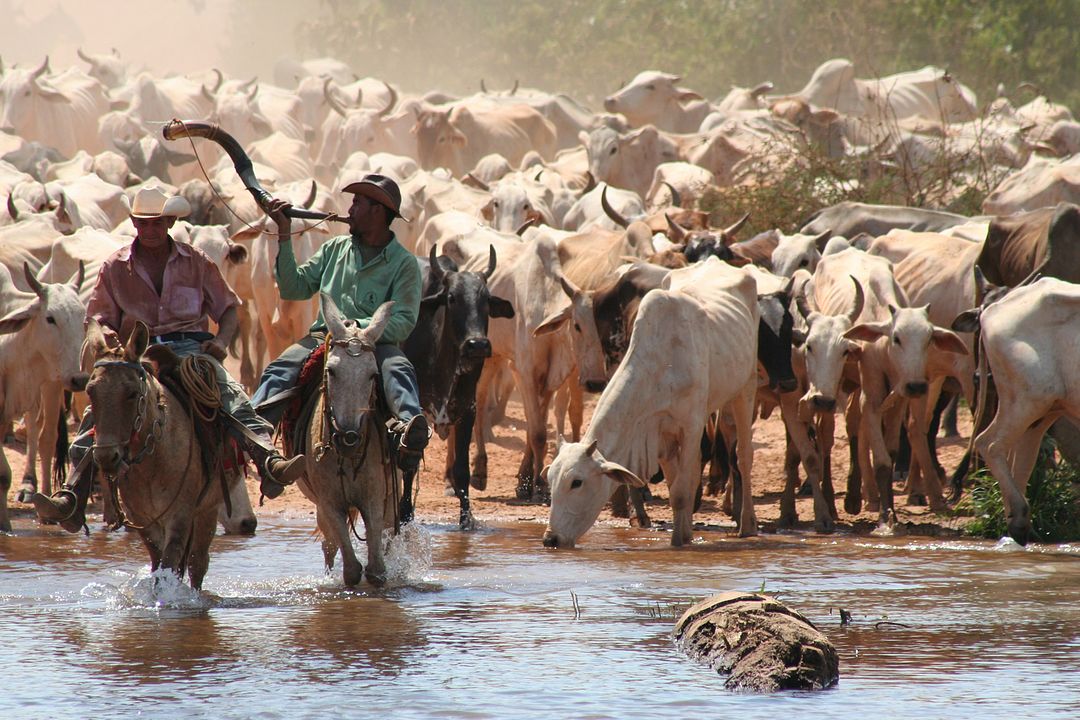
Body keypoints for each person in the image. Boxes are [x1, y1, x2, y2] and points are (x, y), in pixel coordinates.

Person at [33, 186, 305, 532]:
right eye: (143, 224)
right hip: (136, 357)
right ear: (133, 223)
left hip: (190, 352)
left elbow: (229, 309)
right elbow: (97, 318)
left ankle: (268, 460)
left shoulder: (196, 262)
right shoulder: (116, 267)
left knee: (233, 399)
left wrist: (221, 342)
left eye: (157, 224)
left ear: (170, 222)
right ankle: (71, 496)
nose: (150, 231)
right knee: (97, 413)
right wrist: (103, 338)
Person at [251, 173, 429, 477]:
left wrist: (357, 327)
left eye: (357, 203)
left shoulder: (404, 264)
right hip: (324, 338)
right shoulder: (334, 249)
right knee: (279, 370)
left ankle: (410, 433)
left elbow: (403, 322)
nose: (350, 210)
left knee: (398, 369)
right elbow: (294, 287)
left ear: (378, 212)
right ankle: (257, 441)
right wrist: (284, 234)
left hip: (377, 345)